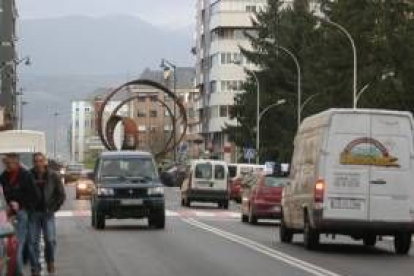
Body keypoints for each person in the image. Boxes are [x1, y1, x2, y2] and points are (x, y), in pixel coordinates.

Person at [0, 153, 40, 276]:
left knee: (19, 243)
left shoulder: (25, 175)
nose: (5, 165)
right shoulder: (4, 176)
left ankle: (18, 271)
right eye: (4, 163)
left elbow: (35, 196)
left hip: (22, 213)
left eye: (8, 163)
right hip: (7, 213)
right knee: (9, 244)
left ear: (16, 163)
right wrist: (7, 205)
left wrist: (20, 205)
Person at [29, 152, 66, 275]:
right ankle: (35, 267)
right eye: (36, 161)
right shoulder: (28, 175)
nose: (38, 163)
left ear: (45, 162)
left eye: (41, 161)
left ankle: (50, 261)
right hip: (33, 213)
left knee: (50, 240)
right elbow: (23, 193)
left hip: (48, 213)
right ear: (33, 162)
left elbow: (61, 195)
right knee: (33, 242)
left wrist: (53, 208)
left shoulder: (53, 176)